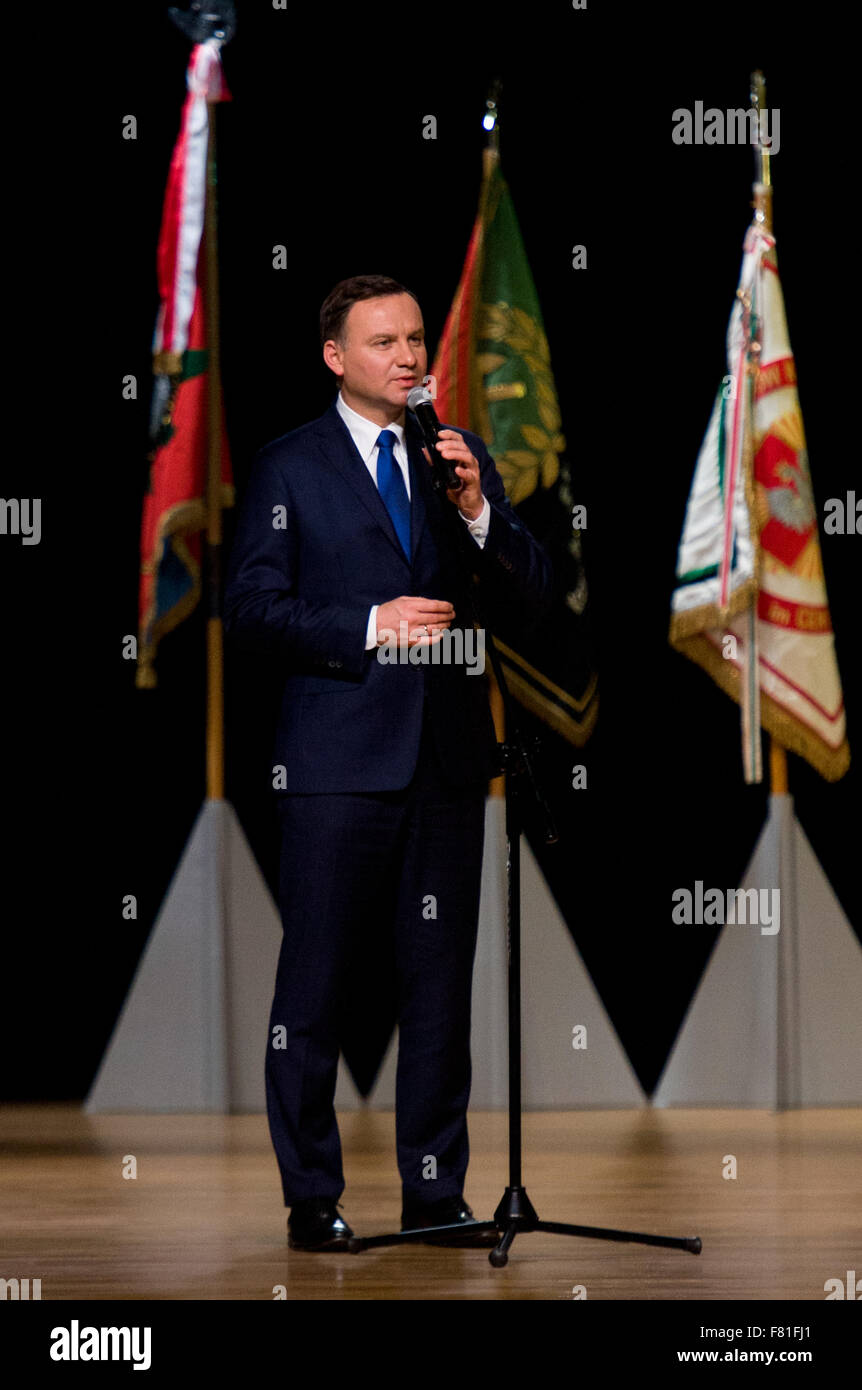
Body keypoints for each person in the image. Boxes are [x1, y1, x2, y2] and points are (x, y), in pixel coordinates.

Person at [224, 274, 552, 1250]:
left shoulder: (456, 456)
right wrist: (371, 623)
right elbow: (250, 611)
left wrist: (479, 511)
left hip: (446, 765)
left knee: (438, 987)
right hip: (335, 766)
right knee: (314, 989)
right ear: (336, 356)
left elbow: (531, 590)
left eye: (415, 340)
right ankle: (311, 1196)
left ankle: (433, 1190)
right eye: (384, 342)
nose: (409, 357)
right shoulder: (291, 468)